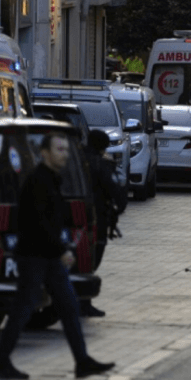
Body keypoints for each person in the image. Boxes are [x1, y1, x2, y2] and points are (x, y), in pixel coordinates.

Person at [0, 132, 115, 380]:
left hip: (48, 258)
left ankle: (82, 361)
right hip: (35, 257)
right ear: (45, 153)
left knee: (68, 307)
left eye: (66, 150)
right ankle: (1, 362)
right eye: (59, 149)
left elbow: (54, 219)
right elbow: (39, 224)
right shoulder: (39, 181)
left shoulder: (52, 179)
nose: (64, 154)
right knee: (23, 309)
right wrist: (61, 251)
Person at [82, 130, 128, 318]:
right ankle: (83, 301)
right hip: (96, 218)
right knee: (92, 259)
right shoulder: (101, 165)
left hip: (75, 216)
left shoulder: (76, 159)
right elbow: (115, 190)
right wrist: (118, 208)